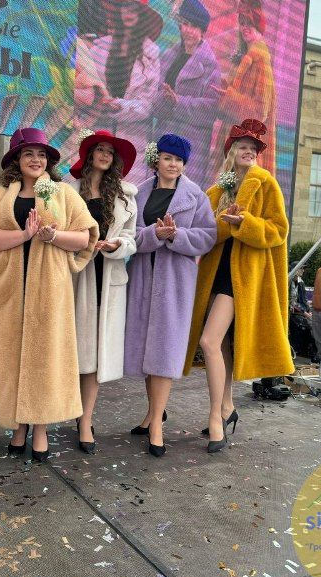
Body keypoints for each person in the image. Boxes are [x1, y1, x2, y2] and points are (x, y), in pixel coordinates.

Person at [0, 128, 98, 462]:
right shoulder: (0, 194)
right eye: (28, 153)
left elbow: (85, 237)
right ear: (16, 159)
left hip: (49, 290)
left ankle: (40, 428)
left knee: (44, 358)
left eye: (41, 154)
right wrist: (24, 235)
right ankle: (17, 425)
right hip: (8, 288)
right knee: (11, 357)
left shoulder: (63, 193)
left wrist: (52, 236)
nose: (35, 160)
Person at [184, 118, 293, 452]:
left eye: (253, 148)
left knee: (209, 340)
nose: (249, 151)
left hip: (244, 277)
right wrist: (224, 223)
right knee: (223, 344)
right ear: (230, 152)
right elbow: (207, 234)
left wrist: (244, 223)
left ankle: (215, 417)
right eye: (242, 146)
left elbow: (278, 230)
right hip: (216, 273)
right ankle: (227, 405)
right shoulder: (217, 191)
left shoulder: (265, 183)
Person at [125, 134, 216, 456]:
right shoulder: (139, 194)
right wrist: (154, 233)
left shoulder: (196, 196)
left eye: (178, 160)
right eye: (167, 158)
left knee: (163, 352)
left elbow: (207, 236)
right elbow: (129, 235)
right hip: (142, 279)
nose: (173, 164)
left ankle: (157, 427)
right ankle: (152, 413)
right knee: (147, 352)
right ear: (156, 160)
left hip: (175, 282)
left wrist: (176, 235)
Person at [70, 130, 138, 454]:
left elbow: (131, 238)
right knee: (72, 349)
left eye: (110, 152)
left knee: (95, 354)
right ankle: (58, 412)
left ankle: (85, 421)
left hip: (107, 276)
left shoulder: (125, 196)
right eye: (99, 149)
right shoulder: (69, 191)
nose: (105, 155)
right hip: (75, 274)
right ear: (89, 154)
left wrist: (116, 245)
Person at [74, 0, 162, 182]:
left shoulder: (151, 53)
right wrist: (96, 98)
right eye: (124, 7)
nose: (128, 13)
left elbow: (148, 104)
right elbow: (83, 85)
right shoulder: (99, 47)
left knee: (124, 194)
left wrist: (119, 106)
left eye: (133, 9)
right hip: (99, 132)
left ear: (142, 14)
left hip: (131, 139)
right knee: (92, 190)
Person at [153, 0, 220, 188]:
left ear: (202, 31)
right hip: (164, 137)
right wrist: (164, 101)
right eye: (185, 24)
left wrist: (179, 102)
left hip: (192, 146)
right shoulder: (168, 56)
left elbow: (211, 108)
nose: (188, 30)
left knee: (184, 195)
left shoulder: (210, 65)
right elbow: (155, 95)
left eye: (194, 26)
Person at [210, 0, 276, 175]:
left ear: (258, 25)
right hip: (233, 141)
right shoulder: (245, 56)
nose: (244, 28)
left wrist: (230, 98)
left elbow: (261, 111)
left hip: (247, 148)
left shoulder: (260, 59)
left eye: (249, 23)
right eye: (242, 23)